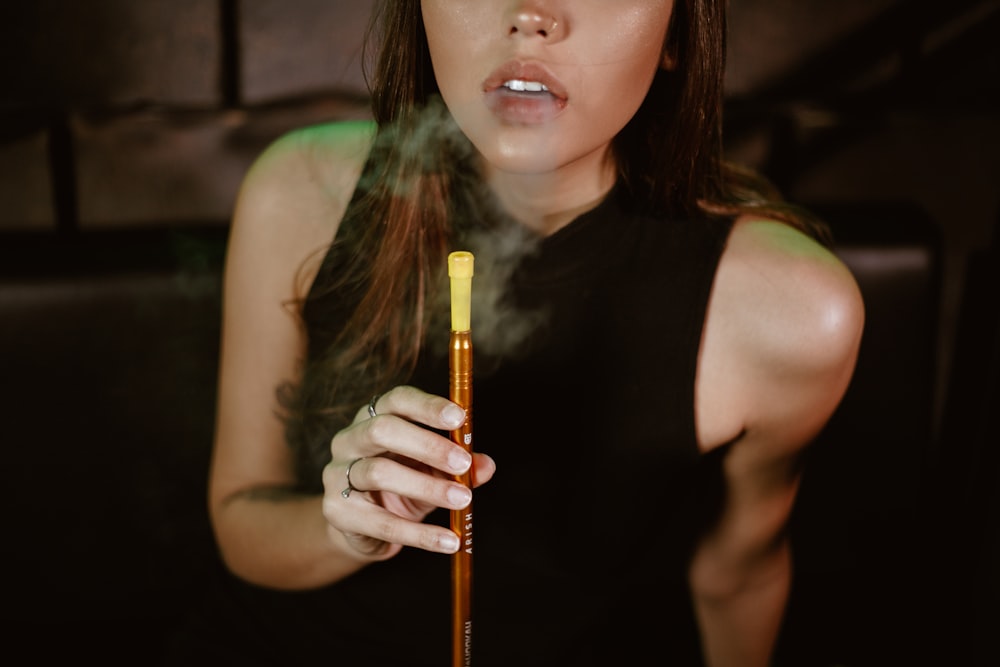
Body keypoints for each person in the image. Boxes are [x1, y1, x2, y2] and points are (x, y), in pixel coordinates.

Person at [169, 1, 864, 665]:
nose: (530, 12)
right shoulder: (303, 189)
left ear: (678, 34)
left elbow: (736, 573)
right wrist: (345, 527)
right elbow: (240, 521)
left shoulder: (791, 311)